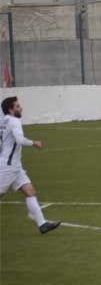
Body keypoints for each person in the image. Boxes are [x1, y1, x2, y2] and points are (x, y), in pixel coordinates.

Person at [0, 97, 60, 234]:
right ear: (10, 109)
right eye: (17, 106)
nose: (20, 108)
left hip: (14, 166)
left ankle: (42, 224)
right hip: (8, 167)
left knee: (30, 191)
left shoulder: (3, 121)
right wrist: (34, 143)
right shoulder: (14, 121)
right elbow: (19, 139)